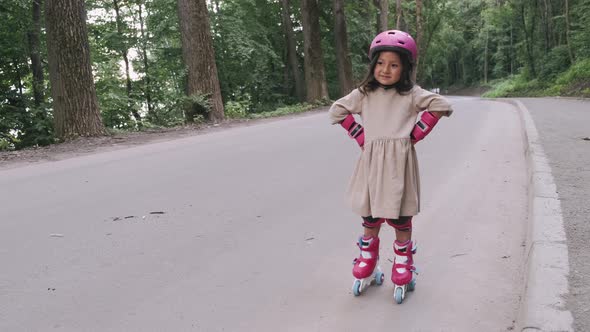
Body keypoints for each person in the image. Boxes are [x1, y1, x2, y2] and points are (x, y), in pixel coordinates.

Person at [329, 30, 453, 303]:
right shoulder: (364, 93)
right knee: (371, 215)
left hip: (400, 165)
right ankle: (368, 261)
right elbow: (337, 110)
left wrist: (417, 132)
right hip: (372, 165)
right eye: (381, 63)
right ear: (373, 65)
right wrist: (360, 136)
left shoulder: (411, 95)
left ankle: (402, 261)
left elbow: (442, 105)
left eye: (394, 64)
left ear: (405, 68)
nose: (385, 69)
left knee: (399, 217)